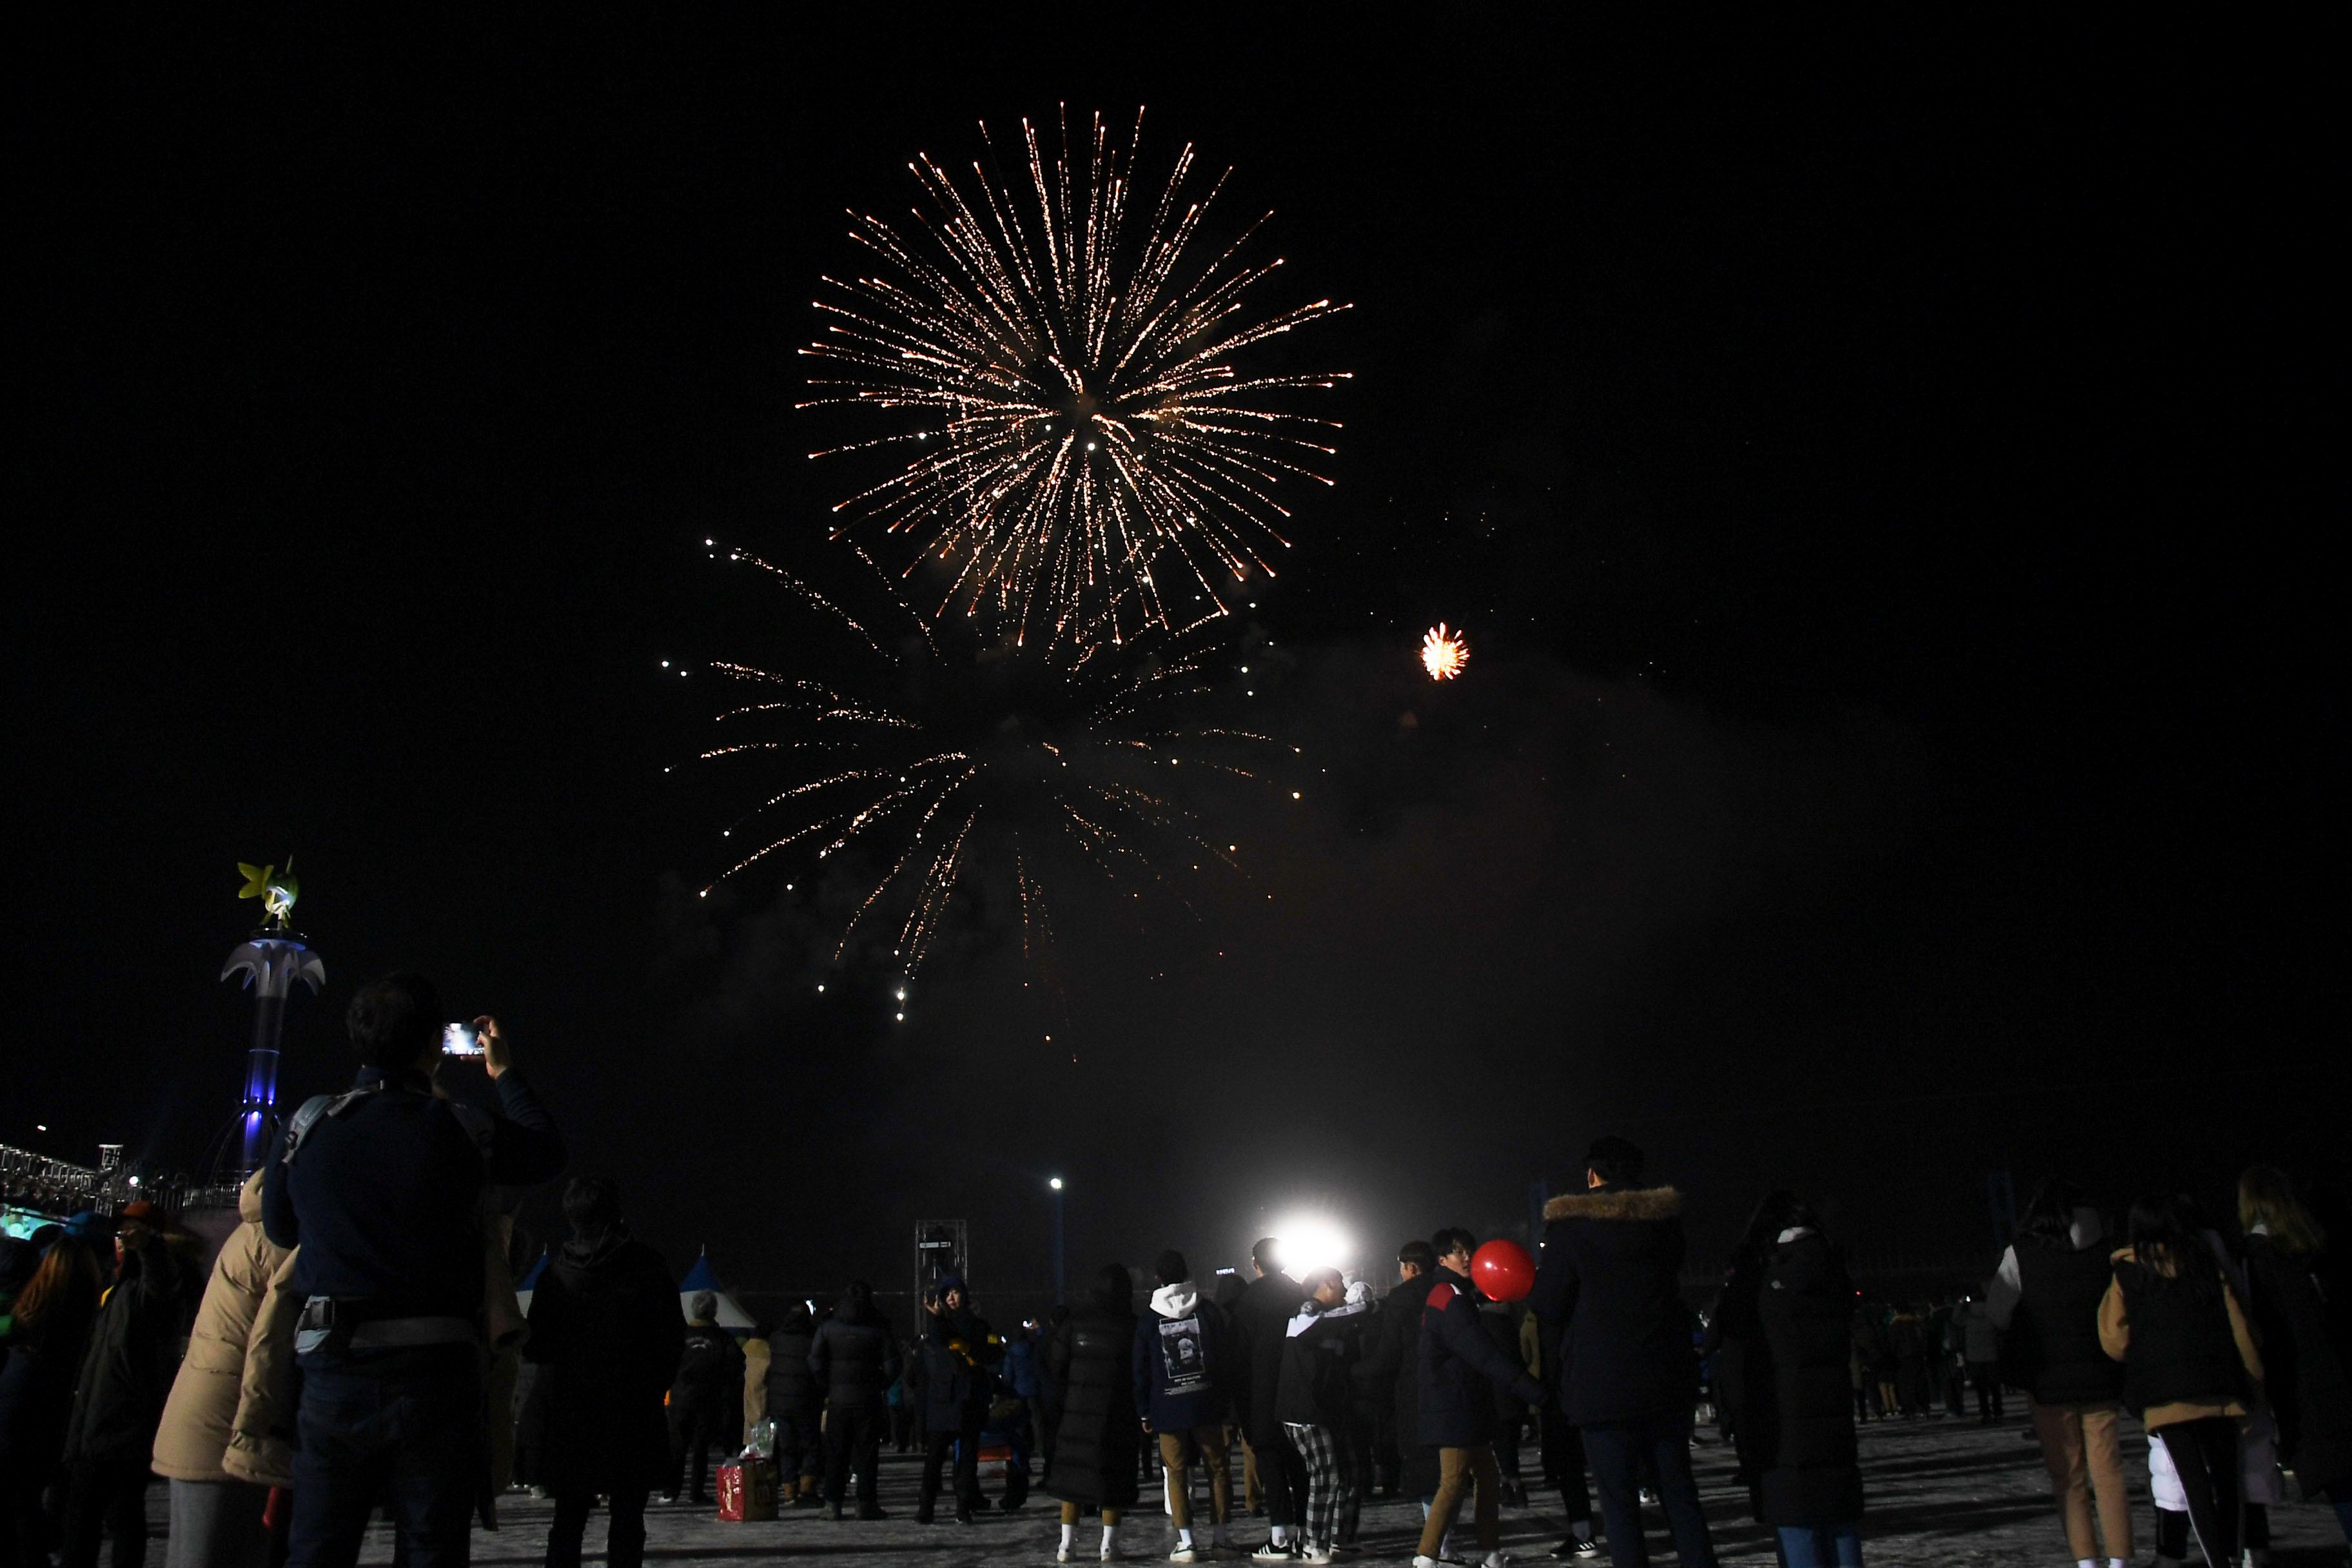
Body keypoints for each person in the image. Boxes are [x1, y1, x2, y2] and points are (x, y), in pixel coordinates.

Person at [261, 974, 565, 1568]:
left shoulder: (309, 1126)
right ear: (434, 1047)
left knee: (319, 1547)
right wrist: (503, 1071)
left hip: (334, 1367)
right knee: (431, 1546)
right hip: (438, 1375)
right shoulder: (462, 1129)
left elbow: (280, 1229)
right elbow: (545, 1149)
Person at [1531, 1135, 1718, 1568]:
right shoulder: (1663, 1224)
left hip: (1602, 1385)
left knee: (1618, 1504)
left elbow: (1548, 1303)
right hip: (1664, 1375)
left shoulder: (1572, 1227)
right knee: (1679, 1492)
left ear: (1593, 1175)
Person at [523, 1176, 683, 1568]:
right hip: (631, 1409)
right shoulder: (648, 1267)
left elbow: (536, 1347)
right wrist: (650, 1385)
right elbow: (670, 1337)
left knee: (568, 1518)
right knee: (628, 1519)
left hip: (571, 1411)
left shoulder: (554, 1275)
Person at [2100, 1191, 2265, 1568]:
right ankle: (2233, 1558)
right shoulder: (2205, 1263)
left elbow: (2113, 1339)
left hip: (2165, 1398)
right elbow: (2239, 1326)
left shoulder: (2127, 1271)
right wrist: (2254, 1378)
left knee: (2195, 1490)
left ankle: (2216, 1563)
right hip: (2218, 1388)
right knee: (2227, 1484)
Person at [150, 1170, 293, 1568]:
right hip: (232, 1425)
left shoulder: (264, 1223)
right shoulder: (287, 1235)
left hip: (206, 1416)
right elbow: (274, 1342)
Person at [1987, 1179, 2131, 1568]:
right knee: (2109, 1469)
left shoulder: (2022, 1254)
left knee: (2067, 1474)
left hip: (2046, 1376)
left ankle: (2086, 1559)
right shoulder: (2106, 1252)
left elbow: (1997, 1312)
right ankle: (2119, 1557)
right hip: (2102, 1374)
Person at [1717, 1193, 1864, 1568]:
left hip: (1776, 1419)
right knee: (1840, 1523)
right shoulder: (1832, 1269)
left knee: (1796, 1524)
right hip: (1833, 1417)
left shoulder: (1757, 1277)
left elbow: (1735, 1353)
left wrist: (1737, 1421)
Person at [59, 1202, 201, 1568]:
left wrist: (150, 1247)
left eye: (131, 1231)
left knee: (114, 1519)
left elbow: (162, 1286)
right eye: (122, 1232)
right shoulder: (119, 1284)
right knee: (96, 1519)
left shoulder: (157, 1283)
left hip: (123, 1423)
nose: (122, 1239)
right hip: (97, 1420)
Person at [1413, 1229, 1547, 1568]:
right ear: (1442, 1260)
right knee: (1453, 1483)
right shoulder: (1448, 1297)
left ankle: (1490, 1553)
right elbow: (1482, 1353)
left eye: (1469, 1250)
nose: (1468, 1257)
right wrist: (1531, 1389)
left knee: (1487, 1480)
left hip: (1466, 1406)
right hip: (1454, 1408)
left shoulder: (1458, 1294)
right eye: (1459, 1252)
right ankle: (1426, 1557)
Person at [2236, 1165, 2352, 1544]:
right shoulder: (2318, 1247)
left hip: (2307, 1396)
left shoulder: (2257, 1259)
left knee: (2341, 1483)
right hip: (2333, 1382)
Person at [1, 1234, 105, 1568]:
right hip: (55, 1413)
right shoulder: (92, 1310)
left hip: (17, 1404)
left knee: (17, 1501)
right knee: (25, 1499)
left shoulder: (34, 1303)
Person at [1135, 1250, 1235, 1561]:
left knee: (1176, 1474)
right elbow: (1226, 1357)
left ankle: (1187, 1541)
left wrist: (1144, 1409)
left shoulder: (1150, 1318)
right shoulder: (1207, 1311)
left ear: (1158, 1278)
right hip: (1207, 1403)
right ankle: (1221, 1538)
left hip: (1167, 1408)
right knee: (1217, 1471)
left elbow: (1140, 1368)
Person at [1046, 1264, 1142, 1563]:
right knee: (1113, 1479)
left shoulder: (1074, 1323)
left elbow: (1057, 1369)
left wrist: (1060, 1407)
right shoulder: (1131, 1325)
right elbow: (1139, 1372)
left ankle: (1066, 1546)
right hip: (1117, 1412)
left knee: (1072, 1480)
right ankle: (1110, 1545)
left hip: (1077, 1412)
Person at [1277, 1268, 1373, 1563]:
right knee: (1327, 1476)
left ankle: (1342, 1540)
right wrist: (1363, 1307)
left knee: (1351, 1474)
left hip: (1330, 1412)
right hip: (1304, 1412)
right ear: (1327, 1284)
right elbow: (1318, 1326)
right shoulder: (1307, 1312)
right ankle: (1312, 1543)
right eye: (1341, 1285)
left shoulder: (1334, 1320)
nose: (1344, 1291)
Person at [1229, 1239, 1309, 1557]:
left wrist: (1239, 1406)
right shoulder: (1300, 1292)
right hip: (1299, 1389)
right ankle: (1306, 1531)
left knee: (1271, 1461)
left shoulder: (1248, 1300)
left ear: (1255, 1263)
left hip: (1262, 1393)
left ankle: (1279, 1537)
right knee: (1301, 1464)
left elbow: (1238, 1358)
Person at [911, 1272, 1001, 1525]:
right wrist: (937, 1319)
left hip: (969, 1400)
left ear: (964, 1295)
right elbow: (940, 1339)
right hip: (943, 1401)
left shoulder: (978, 1325)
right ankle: (925, 1507)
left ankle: (964, 1506)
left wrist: (972, 1350)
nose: (952, 1297)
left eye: (956, 1292)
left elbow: (991, 1352)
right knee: (935, 1458)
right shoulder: (936, 1327)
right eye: (947, 1293)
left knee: (967, 1459)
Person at [809, 1280, 899, 1520]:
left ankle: (833, 1504)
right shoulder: (879, 1326)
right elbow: (893, 1364)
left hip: (838, 1400)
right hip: (868, 1400)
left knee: (836, 1454)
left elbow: (815, 1360)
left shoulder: (828, 1326)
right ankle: (866, 1503)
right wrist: (880, 1384)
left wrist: (827, 1385)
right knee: (867, 1454)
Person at [668, 1291, 743, 1505]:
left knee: (677, 1447)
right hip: (707, 1399)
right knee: (701, 1448)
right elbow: (736, 1363)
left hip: (680, 1397)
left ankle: (671, 1490)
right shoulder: (722, 1337)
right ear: (714, 1311)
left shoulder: (681, 1334)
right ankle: (696, 1492)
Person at [763, 1302, 821, 1507]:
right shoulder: (814, 1337)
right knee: (810, 1445)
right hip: (806, 1398)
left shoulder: (776, 1338)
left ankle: (789, 1489)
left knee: (786, 1446)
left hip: (780, 1401)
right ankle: (807, 1488)